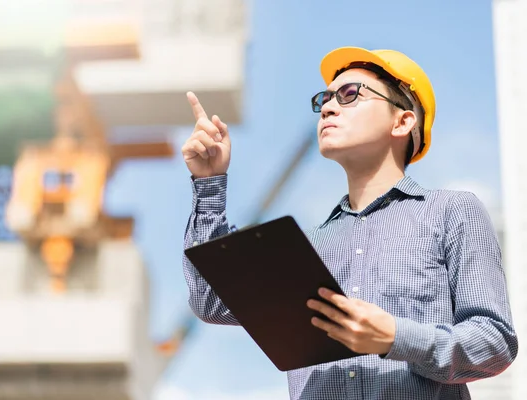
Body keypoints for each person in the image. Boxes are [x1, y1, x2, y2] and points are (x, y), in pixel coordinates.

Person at [180, 46, 518, 400]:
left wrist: (396, 338)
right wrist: (208, 183)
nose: (327, 107)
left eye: (349, 94)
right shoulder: (304, 247)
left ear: (402, 121)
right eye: (324, 99)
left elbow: (493, 341)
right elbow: (210, 300)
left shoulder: (451, 211)